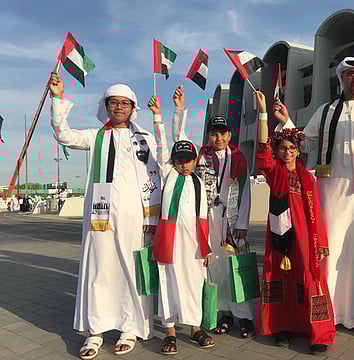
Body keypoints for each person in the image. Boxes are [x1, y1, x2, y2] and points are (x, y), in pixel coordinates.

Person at [274, 57, 354, 339]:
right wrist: (287, 122)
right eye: (350, 75)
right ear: (341, 78)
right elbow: (304, 142)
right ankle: (326, 312)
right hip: (330, 194)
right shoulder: (327, 110)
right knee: (328, 252)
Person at [49, 73, 161, 359]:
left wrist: (152, 219)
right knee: (99, 270)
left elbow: (157, 176)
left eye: (125, 103)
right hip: (100, 217)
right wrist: (57, 98)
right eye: (114, 103)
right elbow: (64, 134)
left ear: (133, 108)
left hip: (135, 217)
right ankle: (95, 331)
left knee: (129, 271)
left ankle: (129, 328)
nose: (120, 107)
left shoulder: (144, 139)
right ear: (107, 106)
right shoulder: (96, 136)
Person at [255, 90, 336, 354]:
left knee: (311, 279)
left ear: (297, 151)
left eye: (292, 148)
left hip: (306, 236)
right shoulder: (274, 173)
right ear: (277, 152)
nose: (288, 151)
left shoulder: (307, 177)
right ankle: (282, 328)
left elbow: (317, 213)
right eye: (283, 148)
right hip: (281, 236)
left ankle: (319, 334)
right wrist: (264, 113)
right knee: (280, 278)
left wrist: (320, 242)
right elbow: (262, 150)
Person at [171, 87, 255, 338]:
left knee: (236, 266)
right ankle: (223, 312)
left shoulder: (239, 157)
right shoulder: (200, 156)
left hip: (231, 219)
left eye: (222, 133)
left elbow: (246, 192)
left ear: (229, 135)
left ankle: (246, 316)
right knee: (215, 267)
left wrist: (243, 223)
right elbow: (179, 139)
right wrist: (179, 109)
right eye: (213, 134)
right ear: (208, 136)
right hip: (207, 216)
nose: (218, 138)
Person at [148, 95, 215, 355]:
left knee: (194, 284)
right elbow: (164, 143)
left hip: (195, 246)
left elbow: (204, 217)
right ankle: (170, 332)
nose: (185, 164)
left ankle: (195, 328)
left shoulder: (197, 182)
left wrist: (206, 248)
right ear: (174, 161)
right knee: (169, 284)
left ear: (195, 160)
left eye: (189, 159)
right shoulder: (169, 176)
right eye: (180, 160)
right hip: (170, 243)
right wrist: (159, 115)